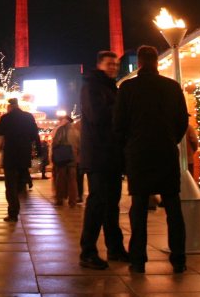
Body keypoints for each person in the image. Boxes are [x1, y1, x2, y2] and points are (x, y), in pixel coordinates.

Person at [115, 45, 188, 274]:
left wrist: (129, 146)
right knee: (173, 206)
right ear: (156, 61)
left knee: (139, 207)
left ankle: (138, 260)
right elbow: (181, 122)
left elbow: (119, 124)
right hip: (166, 152)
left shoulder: (127, 87)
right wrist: (170, 139)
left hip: (139, 153)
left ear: (139, 63)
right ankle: (179, 259)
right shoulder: (172, 87)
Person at [79, 50, 127, 269]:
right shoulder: (91, 87)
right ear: (99, 65)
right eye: (109, 64)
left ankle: (115, 248)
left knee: (112, 204)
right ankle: (87, 252)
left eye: (116, 64)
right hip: (98, 154)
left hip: (112, 154)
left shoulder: (110, 87)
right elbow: (97, 116)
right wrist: (121, 109)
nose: (113, 67)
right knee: (97, 202)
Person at [0, 97, 39, 222]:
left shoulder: (7, 117)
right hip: (24, 153)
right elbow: (34, 133)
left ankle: (13, 212)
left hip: (11, 154)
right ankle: (22, 193)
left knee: (10, 184)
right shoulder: (28, 116)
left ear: (10, 107)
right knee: (21, 180)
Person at [50, 113, 79, 206]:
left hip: (62, 158)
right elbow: (79, 145)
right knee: (72, 180)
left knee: (60, 179)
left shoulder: (61, 130)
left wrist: (53, 155)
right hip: (73, 158)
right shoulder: (76, 131)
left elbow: (56, 143)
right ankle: (73, 200)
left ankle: (59, 199)